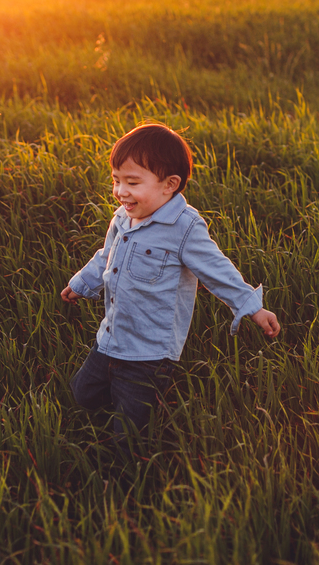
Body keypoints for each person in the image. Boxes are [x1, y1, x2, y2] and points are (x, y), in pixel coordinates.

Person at [61, 122, 280, 450]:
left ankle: (126, 466)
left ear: (169, 185)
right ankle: (105, 405)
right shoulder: (123, 217)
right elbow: (106, 255)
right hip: (112, 335)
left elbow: (217, 270)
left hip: (149, 352)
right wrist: (82, 283)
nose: (120, 191)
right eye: (116, 180)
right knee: (82, 394)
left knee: (130, 434)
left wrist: (252, 307)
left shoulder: (184, 228)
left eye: (132, 182)